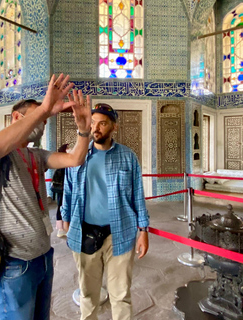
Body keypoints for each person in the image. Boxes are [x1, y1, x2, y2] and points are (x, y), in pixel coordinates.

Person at [0, 74, 91, 320]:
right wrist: (45, 110)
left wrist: (83, 131)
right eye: (40, 116)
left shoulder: (35, 155)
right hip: (14, 262)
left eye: (46, 118)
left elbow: (75, 159)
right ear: (17, 117)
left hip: (43, 255)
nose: (44, 122)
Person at [61, 103, 150, 320]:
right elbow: (68, 191)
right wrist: (65, 220)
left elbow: (137, 194)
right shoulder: (77, 155)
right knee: (88, 295)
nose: (96, 128)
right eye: (92, 123)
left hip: (120, 234)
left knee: (120, 295)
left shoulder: (128, 157)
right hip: (84, 235)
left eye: (102, 123)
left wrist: (143, 230)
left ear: (114, 127)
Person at [51, 143, 68, 238]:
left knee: (61, 207)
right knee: (61, 207)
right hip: (62, 189)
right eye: (68, 148)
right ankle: (61, 229)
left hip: (63, 189)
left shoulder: (62, 162)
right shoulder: (63, 163)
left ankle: (61, 228)